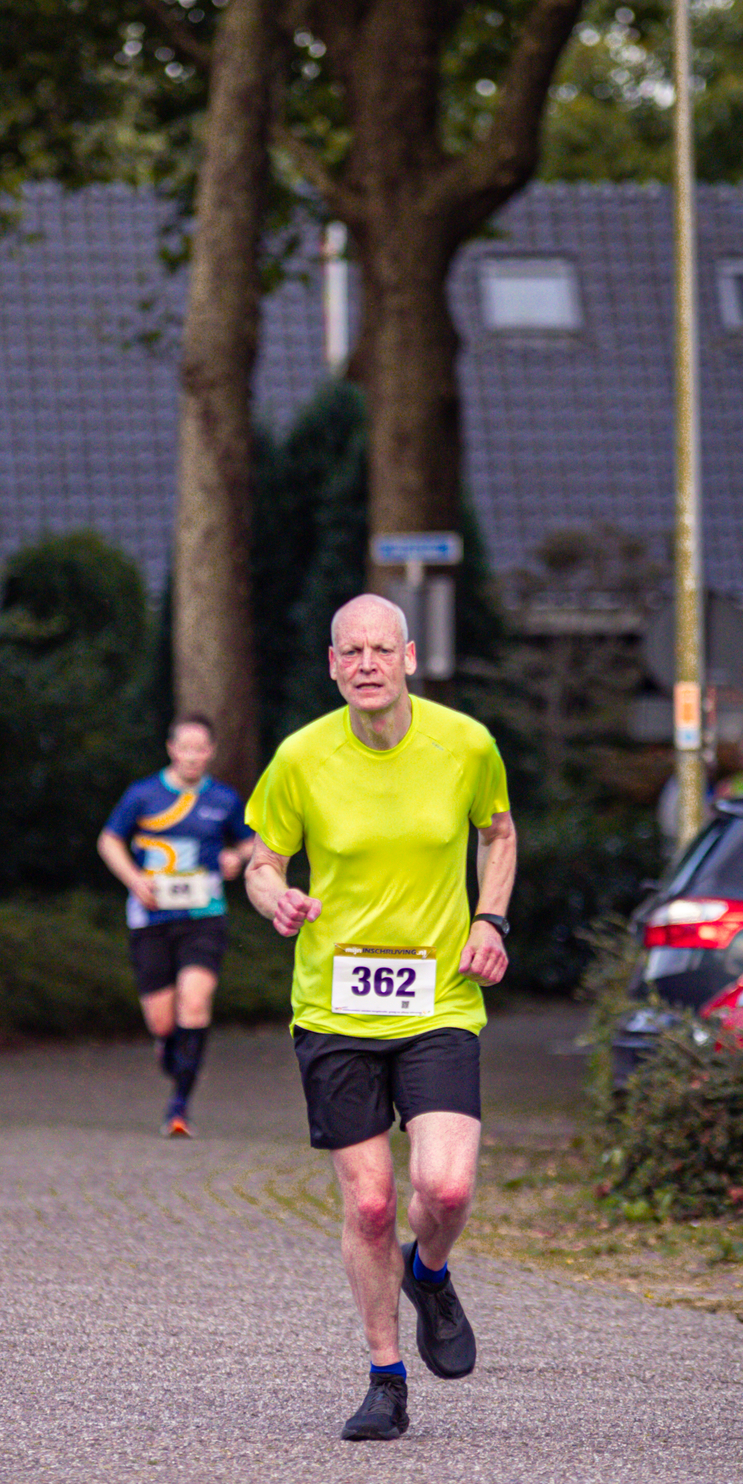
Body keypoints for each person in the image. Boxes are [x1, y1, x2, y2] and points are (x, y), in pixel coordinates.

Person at [243, 595, 515, 1441]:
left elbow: (498, 834)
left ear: (407, 658)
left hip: (438, 996)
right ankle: (386, 1380)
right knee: (368, 1205)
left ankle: (428, 1271)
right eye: (350, 651)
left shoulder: (465, 744)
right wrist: (274, 899)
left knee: (447, 1186)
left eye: (380, 649)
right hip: (333, 1004)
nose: (366, 664)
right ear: (332, 665)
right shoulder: (300, 757)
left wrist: (490, 920)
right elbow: (262, 858)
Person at [97, 715, 253, 1135]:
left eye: (201, 748)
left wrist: (236, 859)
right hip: (150, 917)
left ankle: (179, 1107)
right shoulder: (143, 794)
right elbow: (109, 840)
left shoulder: (224, 799)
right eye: (185, 747)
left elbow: (248, 842)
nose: (193, 756)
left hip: (204, 916)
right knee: (163, 1022)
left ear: (211, 752)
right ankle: (170, 1049)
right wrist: (134, 880)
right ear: (171, 749)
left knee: (196, 1000)